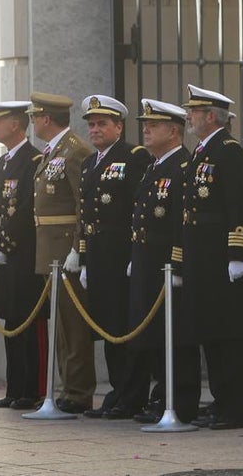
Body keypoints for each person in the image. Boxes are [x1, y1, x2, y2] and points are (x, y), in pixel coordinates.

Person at [180, 84, 243, 430]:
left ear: (211, 116)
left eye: (194, 112)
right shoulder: (202, 151)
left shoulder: (228, 151)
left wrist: (237, 252)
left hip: (223, 258)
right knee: (210, 331)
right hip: (203, 256)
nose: (188, 117)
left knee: (229, 334)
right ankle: (220, 400)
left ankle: (235, 407)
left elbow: (238, 205)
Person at [116, 99, 194, 424]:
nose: (145, 129)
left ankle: (173, 399)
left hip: (167, 265)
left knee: (171, 335)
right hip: (148, 262)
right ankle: (160, 396)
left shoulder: (182, 167)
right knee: (153, 335)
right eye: (145, 123)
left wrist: (176, 263)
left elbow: (181, 222)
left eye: (154, 125)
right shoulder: (155, 165)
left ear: (173, 131)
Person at [76, 95, 152, 418]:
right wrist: (82, 259)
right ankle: (117, 391)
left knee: (126, 327)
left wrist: (137, 253)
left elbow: (140, 209)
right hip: (98, 257)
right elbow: (86, 216)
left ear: (118, 126)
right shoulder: (89, 163)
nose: (94, 130)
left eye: (101, 124)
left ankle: (133, 396)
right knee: (108, 328)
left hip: (122, 255)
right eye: (91, 125)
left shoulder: (133, 157)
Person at [27, 92, 96, 413]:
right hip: (49, 252)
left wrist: (77, 249)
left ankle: (79, 391)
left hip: (65, 250)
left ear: (46, 119)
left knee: (73, 326)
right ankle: (67, 388)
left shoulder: (75, 151)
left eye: (34, 117)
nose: (32, 123)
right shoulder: (52, 152)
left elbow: (84, 205)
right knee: (61, 327)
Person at [0, 101, 44, 410]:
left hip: (23, 255)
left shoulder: (33, 160)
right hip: (5, 256)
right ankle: (14, 387)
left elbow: (26, 210)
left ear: (16, 125)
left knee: (26, 322)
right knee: (10, 323)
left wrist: (6, 243)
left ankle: (30, 390)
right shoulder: (3, 162)